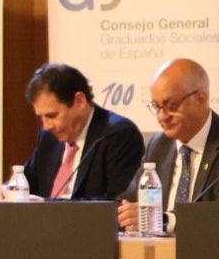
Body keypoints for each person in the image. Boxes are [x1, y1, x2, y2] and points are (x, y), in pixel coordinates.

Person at [117, 58, 219, 232]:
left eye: (171, 106)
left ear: (201, 98)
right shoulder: (159, 145)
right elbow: (128, 201)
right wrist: (124, 214)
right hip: (157, 248)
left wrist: (164, 220)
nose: (162, 116)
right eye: (157, 107)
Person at [22, 63, 144, 201]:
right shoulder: (48, 137)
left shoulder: (119, 135)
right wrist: (10, 190)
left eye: (52, 115)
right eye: (41, 117)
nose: (46, 126)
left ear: (79, 101)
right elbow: (28, 181)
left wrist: (47, 204)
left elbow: (118, 202)